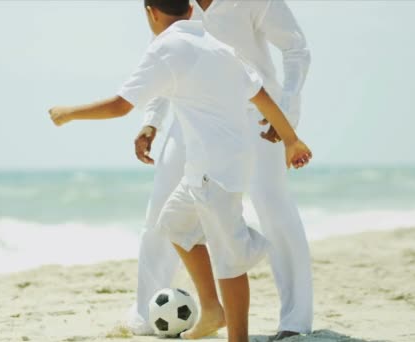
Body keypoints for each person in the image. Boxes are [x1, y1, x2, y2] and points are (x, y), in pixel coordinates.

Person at [48, 1, 312, 340]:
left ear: (152, 13)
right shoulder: (197, 33)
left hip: (243, 136)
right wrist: (151, 123)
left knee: (247, 233)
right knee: (168, 218)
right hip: (198, 126)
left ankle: (276, 326)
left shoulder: (233, 15)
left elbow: (293, 51)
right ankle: (176, 311)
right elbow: (167, 75)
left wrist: (288, 124)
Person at [131, 0, 313, 339]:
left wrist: (287, 114)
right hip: (192, 119)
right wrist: (151, 121)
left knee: (273, 206)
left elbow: (296, 48)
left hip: (258, 117)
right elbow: (164, 60)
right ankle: (146, 316)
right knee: (161, 209)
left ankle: (295, 321)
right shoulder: (174, 4)